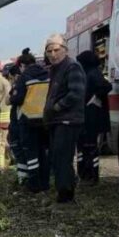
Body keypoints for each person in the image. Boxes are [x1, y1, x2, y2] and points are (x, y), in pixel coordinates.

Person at [42, 34, 86, 204]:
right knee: (57, 157)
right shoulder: (55, 69)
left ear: (65, 50)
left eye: (56, 50)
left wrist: (57, 107)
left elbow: (76, 93)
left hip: (68, 120)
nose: (53, 54)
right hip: (57, 120)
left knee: (62, 157)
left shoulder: (72, 67)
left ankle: (66, 195)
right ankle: (64, 189)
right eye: (49, 51)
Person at [9, 48, 51, 193]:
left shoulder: (24, 77)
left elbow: (17, 98)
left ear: (22, 65)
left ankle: (33, 185)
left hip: (28, 121)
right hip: (46, 120)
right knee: (44, 152)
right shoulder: (47, 74)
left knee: (31, 154)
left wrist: (11, 98)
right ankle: (45, 184)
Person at [75, 50, 112, 185]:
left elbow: (106, 86)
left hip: (91, 118)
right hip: (86, 116)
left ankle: (91, 176)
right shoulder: (90, 72)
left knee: (89, 148)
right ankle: (84, 174)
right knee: (83, 148)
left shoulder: (92, 73)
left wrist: (94, 98)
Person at [4, 62, 25, 183]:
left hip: (19, 124)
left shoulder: (19, 86)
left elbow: (8, 101)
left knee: (19, 149)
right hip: (20, 122)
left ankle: (23, 178)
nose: (10, 81)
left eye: (10, 78)